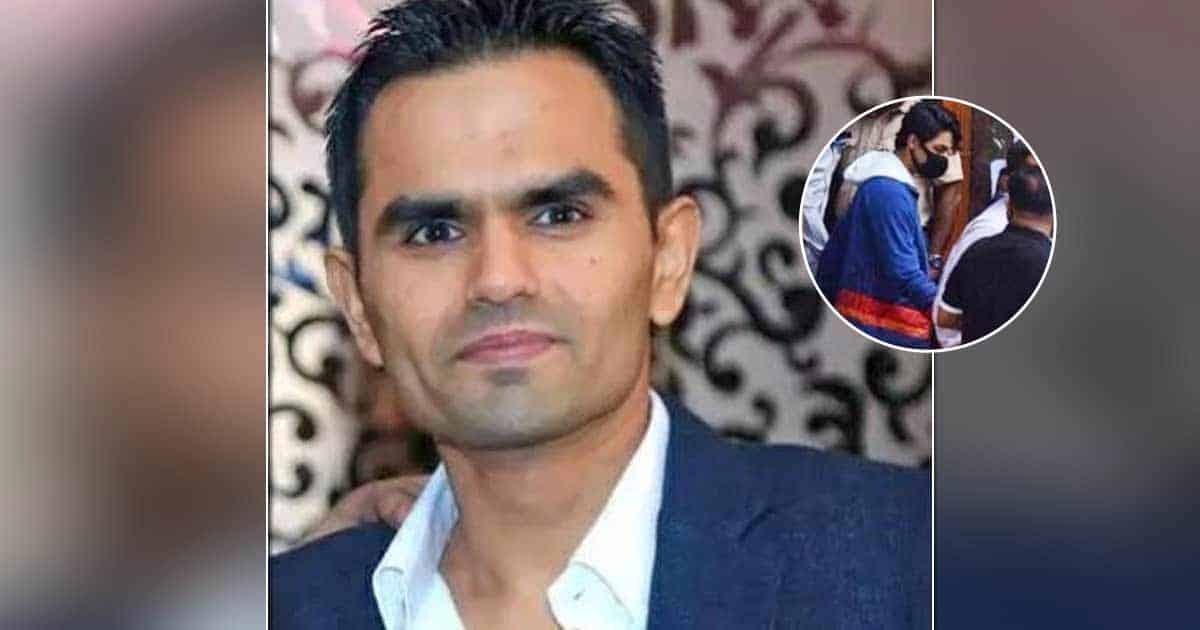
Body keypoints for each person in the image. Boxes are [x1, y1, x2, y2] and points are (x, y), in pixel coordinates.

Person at [269, 2, 929, 629]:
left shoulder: (910, 561)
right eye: (434, 232)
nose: (498, 279)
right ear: (359, 306)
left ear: (667, 260)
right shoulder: (289, 607)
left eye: (558, 215)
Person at [815, 100, 960, 349]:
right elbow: (904, 273)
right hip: (882, 327)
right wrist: (947, 312)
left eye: (948, 152)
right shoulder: (889, 193)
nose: (944, 160)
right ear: (912, 142)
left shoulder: (889, 186)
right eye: (939, 149)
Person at [933, 141, 1039, 348]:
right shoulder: (990, 230)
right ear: (1010, 180)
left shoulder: (1039, 223)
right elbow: (945, 321)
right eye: (1034, 172)